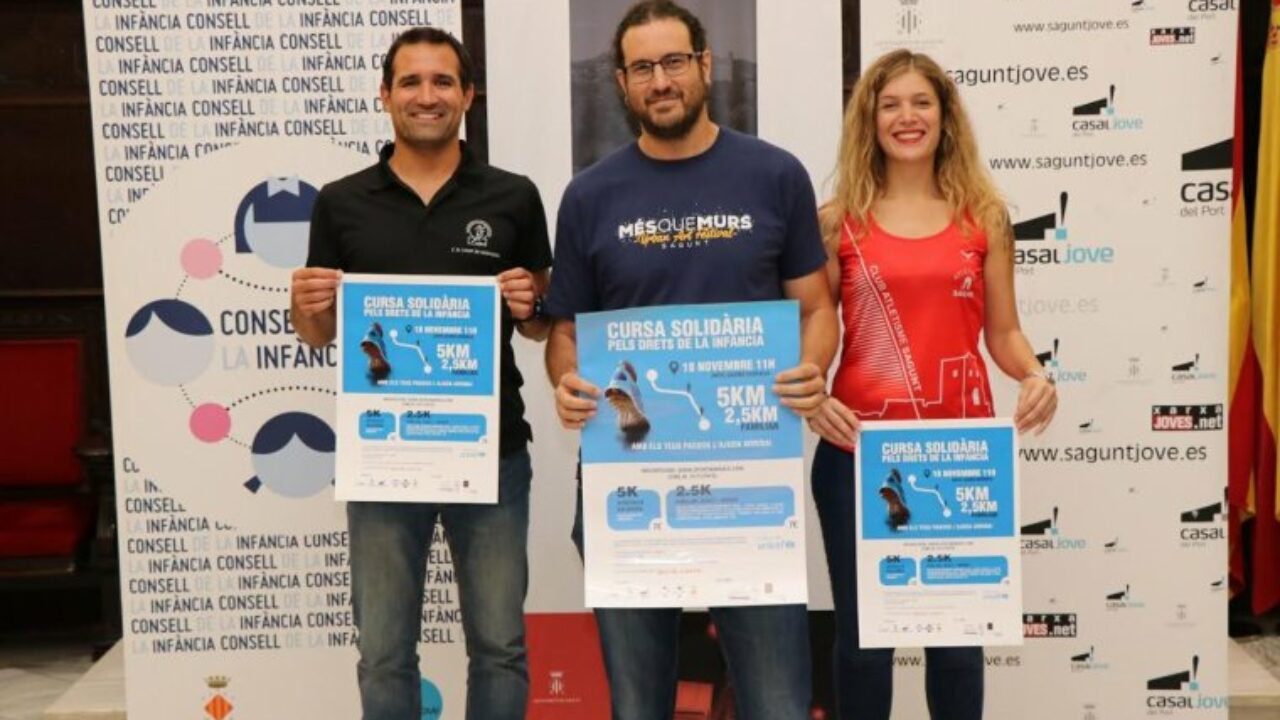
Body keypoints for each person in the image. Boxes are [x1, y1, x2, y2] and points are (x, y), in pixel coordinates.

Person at [543, 2, 838, 718]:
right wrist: (566, 382)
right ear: (622, 83)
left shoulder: (775, 174)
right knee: (638, 704)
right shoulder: (588, 196)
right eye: (642, 67)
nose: (661, 81)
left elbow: (817, 309)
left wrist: (812, 368)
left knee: (777, 702)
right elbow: (565, 332)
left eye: (674, 61)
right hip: (628, 485)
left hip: (748, 484)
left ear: (705, 65)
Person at [289, 27, 553, 720]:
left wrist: (531, 304)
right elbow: (319, 334)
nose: (426, 96)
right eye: (410, 81)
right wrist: (305, 308)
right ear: (385, 95)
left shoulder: (513, 196)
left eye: (442, 81)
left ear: (468, 95)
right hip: (384, 456)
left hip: (491, 453)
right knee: (383, 651)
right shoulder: (341, 201)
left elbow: (539, 322)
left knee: (499, 647)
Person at [806, 49, 1058, 720]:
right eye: (890, 104)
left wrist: (1036, 373)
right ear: (869, 120)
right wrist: (813, 396)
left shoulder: (985, 217)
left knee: (957, 646)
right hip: (858, 457)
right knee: (863, 646)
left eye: (922, 102)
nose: (907, 117)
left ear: (946, 116)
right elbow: (817, 326)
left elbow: (1004, 332)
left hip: (959, 459)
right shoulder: (836, 222)